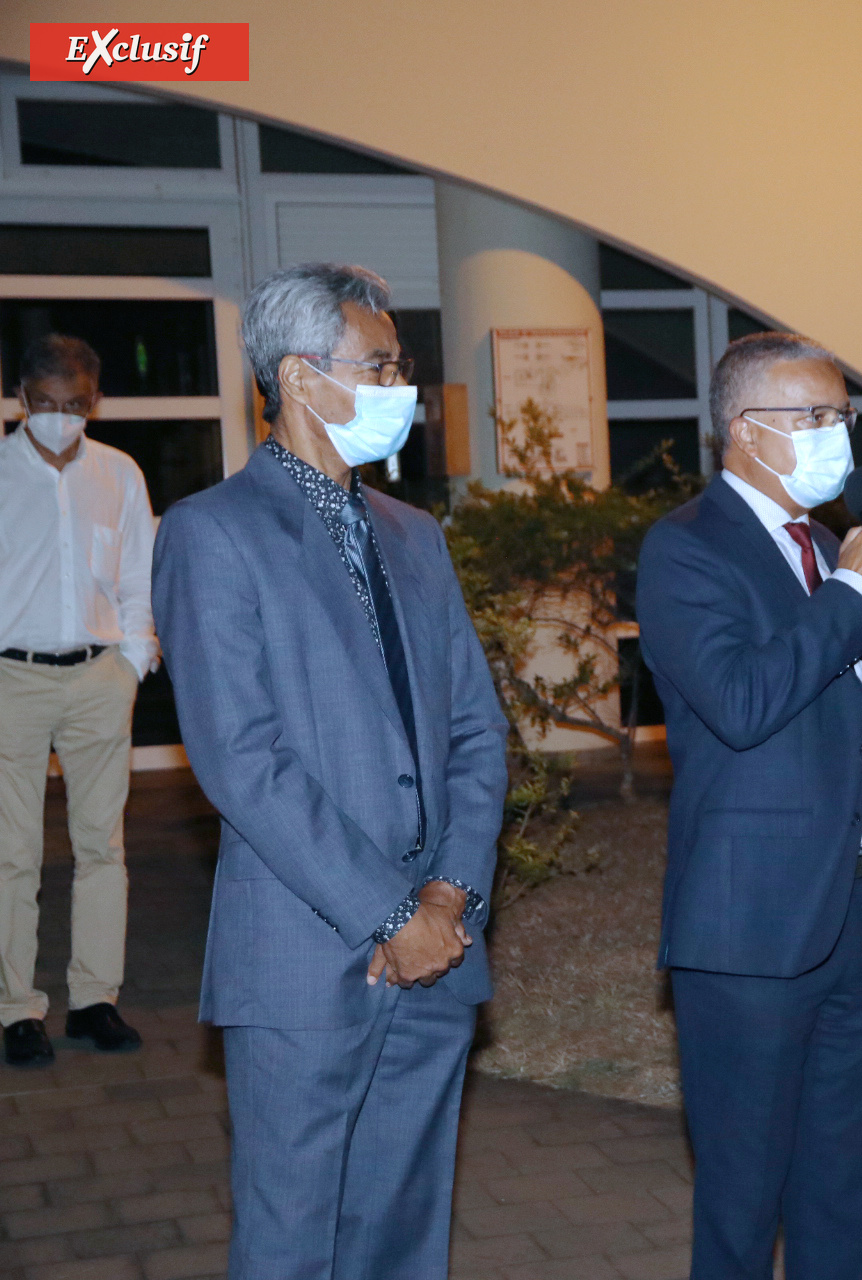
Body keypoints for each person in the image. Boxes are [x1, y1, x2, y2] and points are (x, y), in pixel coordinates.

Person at [152, 263, 507, 1280]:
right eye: (382, 364)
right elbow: (243, 760)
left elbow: (478, 732)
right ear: (301, 377)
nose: (403, 384)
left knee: (402, 1235)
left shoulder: (415, 535)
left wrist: (450, 892)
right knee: (292, 1241)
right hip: (304, 957)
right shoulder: (213, 533)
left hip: (440, 947)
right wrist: (389, 913)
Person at [635, 331, 862, 1280]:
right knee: (745, 1199)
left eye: (844, 415)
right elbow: (743, 703)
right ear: (748, 433)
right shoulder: (685, 549)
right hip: (751, 924)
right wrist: (849, 597)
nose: (839, 437)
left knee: (840, 1183)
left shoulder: (832, 546)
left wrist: (849, 585)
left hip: (861, 899)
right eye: (817, 418)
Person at [0, 334, 156, 1068]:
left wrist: (133, 660)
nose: (58, 418)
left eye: (73, 406)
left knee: (103, 847)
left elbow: (136, 576)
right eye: (44, 405)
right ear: (21, 400)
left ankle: (95, 999)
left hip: (98, 677)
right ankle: (14, 1008)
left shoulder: (119, 474)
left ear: (93, 403)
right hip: (12, 679)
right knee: (12, 854)